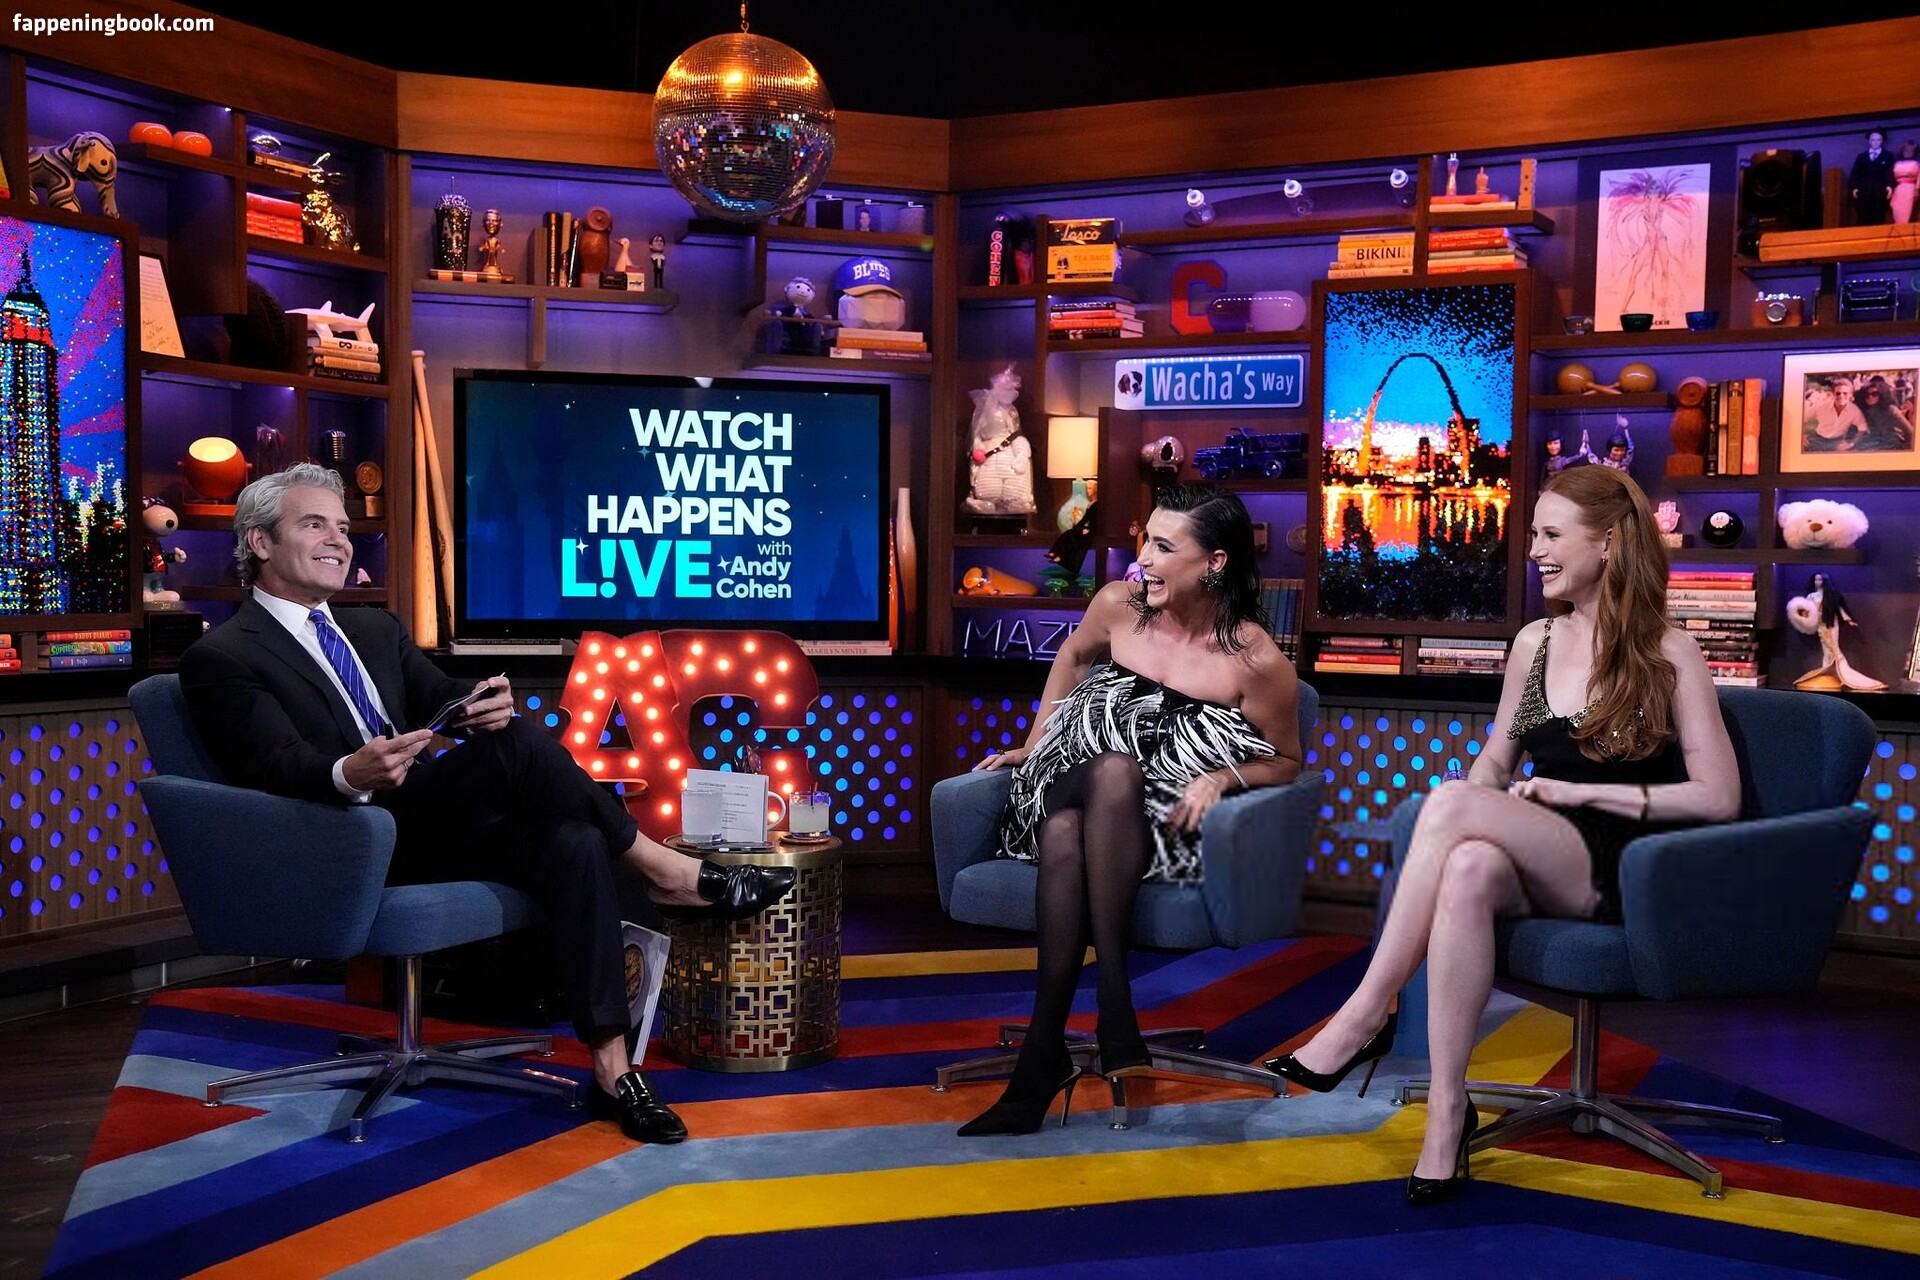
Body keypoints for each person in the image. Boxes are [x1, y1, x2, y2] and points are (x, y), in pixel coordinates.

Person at [177, 464, 798, 1145]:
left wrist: (480, 703)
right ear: (261, 542)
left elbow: (438, 695)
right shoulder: (222, 655)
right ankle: (664, 868)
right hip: (343, 837)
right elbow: (270, 767)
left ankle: (612, 1069)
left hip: (424, 824)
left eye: (344, 527)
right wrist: (348, 772)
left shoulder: (372, 629)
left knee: (571, 838)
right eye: (314, 524)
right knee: (522, 747)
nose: (339, 540)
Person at [1266, 464, 1739, 1204]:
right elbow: (1496, 760)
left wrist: (1576, 791)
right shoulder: (1534, 642)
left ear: (1608, 543)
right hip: (1538, 844)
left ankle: (1363, 1013)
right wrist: (1472, 804)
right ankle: (1448, 1111)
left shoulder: (1668, 651)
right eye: (1534, 535)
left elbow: (1718, 797)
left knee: (1454, 807)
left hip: (1623, 862)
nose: (1534, 551)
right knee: (1466, 864)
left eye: (1552, 535)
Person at [957, 483, 1303, 1136]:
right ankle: (1116, 1002)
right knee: (1108, 774)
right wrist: (1032, 743)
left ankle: (1042, 1057)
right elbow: (1072, 654)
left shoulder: (1257, 661)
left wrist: (1223, 778)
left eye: (1164, 547)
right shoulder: (1119, 605)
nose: (1142, 558)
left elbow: (1287, 760)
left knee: (1072, 832)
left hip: (1148, 826)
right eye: (1146, 540)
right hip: (1059, 782)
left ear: (1215, 563)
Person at [1788, 571, 1885, 692]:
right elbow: (1806, 610)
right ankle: (1827, 671)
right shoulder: (1811, 596)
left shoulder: (1831, 595)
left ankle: (1834, 671)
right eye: (1816, 580)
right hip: (1821, 624)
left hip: (1831, 623)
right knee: (1826, 648)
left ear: (1825, 581)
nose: (1817, 582)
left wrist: (1848, 619)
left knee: (1833, 648)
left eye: (1820, 580)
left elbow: (1839, 609)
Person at [1849, 129, 1895, 226]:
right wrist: (1854, 187)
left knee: (1879, 217)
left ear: (1882, 141)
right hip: (1864, 191)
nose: (1876, 142)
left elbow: (1890, 172)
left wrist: (1889, 185)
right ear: (1869, 141)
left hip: (1880, 192)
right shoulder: (1861, 157)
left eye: (1878, 140)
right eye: (1873, 140)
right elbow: (1855, 173)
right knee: (1862, 217)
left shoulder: (1888, 156)